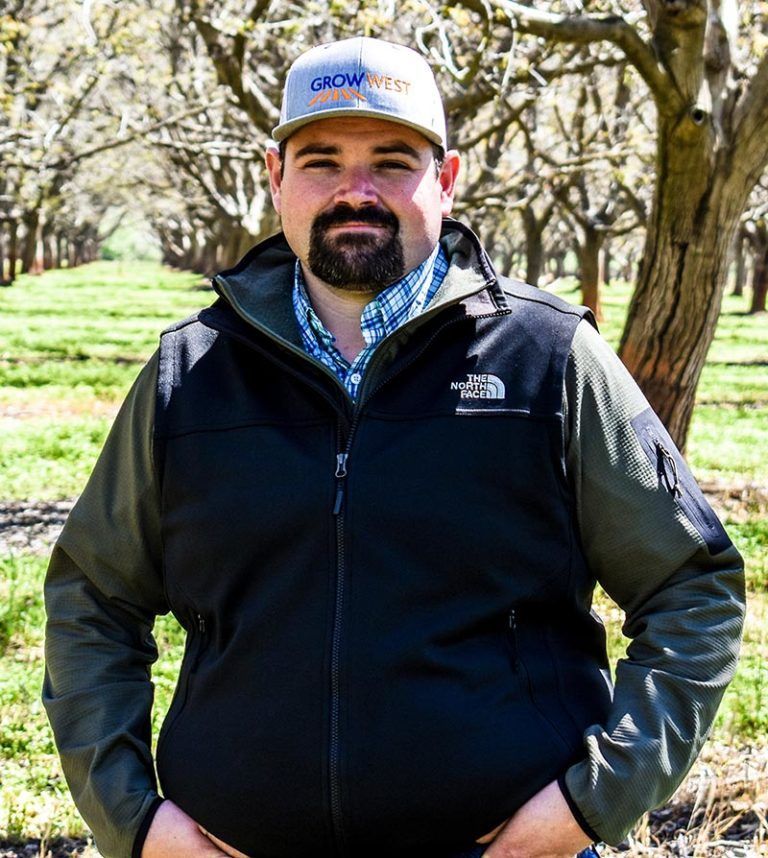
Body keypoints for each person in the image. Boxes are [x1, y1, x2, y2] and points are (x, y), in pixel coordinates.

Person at [43, 36, 745, 858]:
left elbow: (692, 588)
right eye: (320, 161)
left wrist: (591, 805)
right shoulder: (189, 373)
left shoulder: (548, 358)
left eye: (390, 159)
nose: (355, 191)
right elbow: (93, 597)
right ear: (275, 178)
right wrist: (133, 821)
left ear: (445, 181)